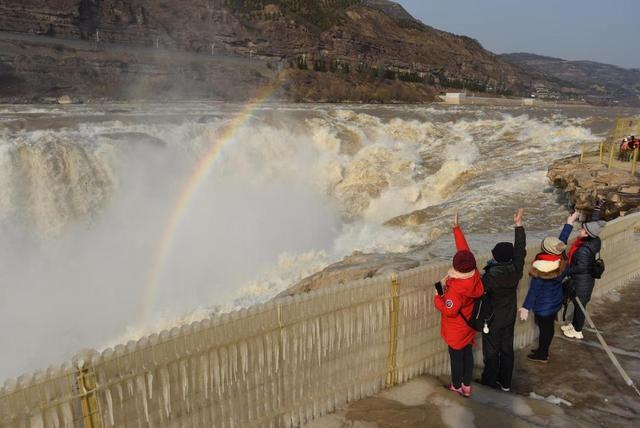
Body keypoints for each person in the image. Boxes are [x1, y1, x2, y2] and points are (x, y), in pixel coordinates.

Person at [434, 212, 484, 397]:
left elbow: (449, 310)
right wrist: (456, 228)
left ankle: (456, 386)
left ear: (456, 268)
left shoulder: (455, 289)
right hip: (468, 326)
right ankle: (467, 386)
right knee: (467, 355)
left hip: (456, 330)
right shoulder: (474, 275)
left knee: (456, 359)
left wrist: (437, 296)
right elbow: (464, 251)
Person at [479, 208, 526, 392]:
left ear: (496, 257)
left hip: (492, 319)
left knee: (491, 352)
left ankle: (490, 382)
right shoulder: (516, 270)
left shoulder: (491, 277)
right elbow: (520, 250)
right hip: (509, 317)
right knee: (507, 350)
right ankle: (505, 383)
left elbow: (477, 292)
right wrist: (518, 225)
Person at [518, 213, 572, 363]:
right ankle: (543, 350)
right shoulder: (561, 260)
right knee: (548, 327)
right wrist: (569, 224)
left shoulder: (541, 269)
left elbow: (533, 291)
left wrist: (525, 308)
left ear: (545, 250)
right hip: (555, 301)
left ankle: (543, 354)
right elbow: (562, 242)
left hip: (543, 306)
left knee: (545, 329)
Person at [561, 203, 606, 340]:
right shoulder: (594, 240)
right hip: (585, 280)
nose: (580, 230)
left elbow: (580, 267)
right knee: (578, 304)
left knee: (580, 306)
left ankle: (578, 330)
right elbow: (594, 224)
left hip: (582, 282)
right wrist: (597, 209)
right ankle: (574, 325)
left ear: (587, 234)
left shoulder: (584, 250)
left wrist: (565, 271)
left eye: (582, 230)